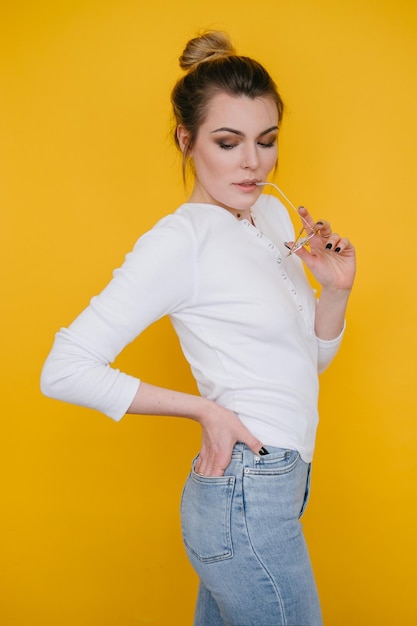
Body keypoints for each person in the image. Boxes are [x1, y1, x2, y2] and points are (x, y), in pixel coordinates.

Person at [41, 31, 356, 626]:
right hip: (246, 495)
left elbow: (305, 364)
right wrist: (205, 411)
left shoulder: (270, 212)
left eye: (266, 142)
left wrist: (335, 290)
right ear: (187, 140)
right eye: (227, 141)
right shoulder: (180, 242)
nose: (252, 163)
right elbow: (64, 369)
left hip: (280, 483)